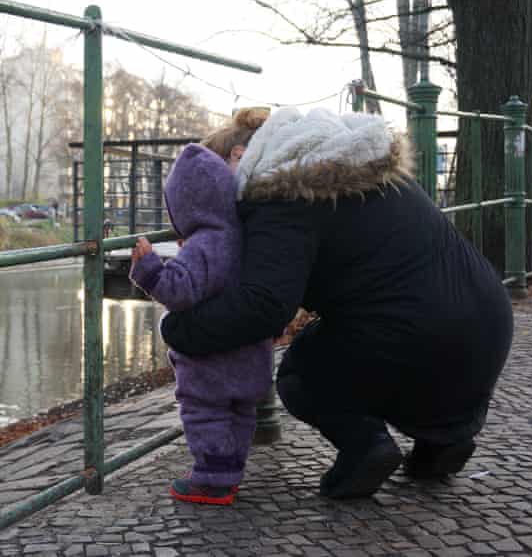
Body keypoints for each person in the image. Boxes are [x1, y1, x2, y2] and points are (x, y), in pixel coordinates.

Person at [159, 107, 513, 499]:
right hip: (489, 323)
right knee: (382, 326)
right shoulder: (357, 161)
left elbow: (264, 306)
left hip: (420, 339)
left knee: (301, 370)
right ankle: (446, 440)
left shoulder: (280, 194)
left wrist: (178, 330)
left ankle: (365, 446)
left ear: (239, 159)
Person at [129, 142, 272, 505]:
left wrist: (148, 269)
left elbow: (178, 290)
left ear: (183, 205)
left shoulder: (205, 243)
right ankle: (232, 468)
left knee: (204, 412)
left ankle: (212, 478)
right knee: (241, 412)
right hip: (252, 351)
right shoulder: (246, 235)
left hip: (211, 361)